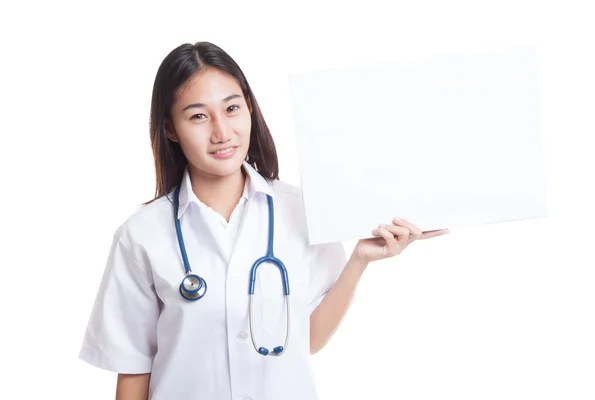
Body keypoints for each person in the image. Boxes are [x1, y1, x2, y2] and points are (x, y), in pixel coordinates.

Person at [78, 41, 449, 400]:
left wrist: (359, 260)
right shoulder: (141, 236)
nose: (222, 133)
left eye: (232, 109)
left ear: (251, 109)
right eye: (198, 116)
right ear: (171, 129)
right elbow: (133, 369)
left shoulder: (302, 211)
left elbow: (308, 339)